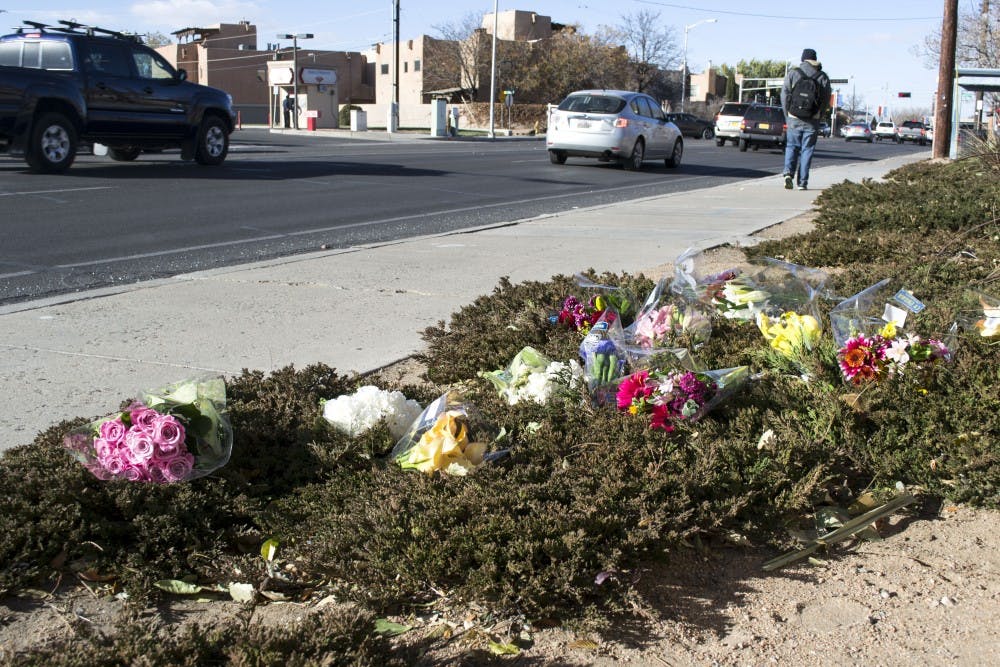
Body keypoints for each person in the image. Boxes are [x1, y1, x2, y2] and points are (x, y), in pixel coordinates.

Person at [780, 48, 831, 191]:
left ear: (803, 59)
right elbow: (826, 99)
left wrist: (787, 115)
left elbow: (784, 95)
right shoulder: (822, 77)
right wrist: (819, 115)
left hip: (793, 117)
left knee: (792, 146)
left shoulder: (793, 73)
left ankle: (788, 173)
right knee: (807, 150)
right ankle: (802, 182)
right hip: (812, 119)